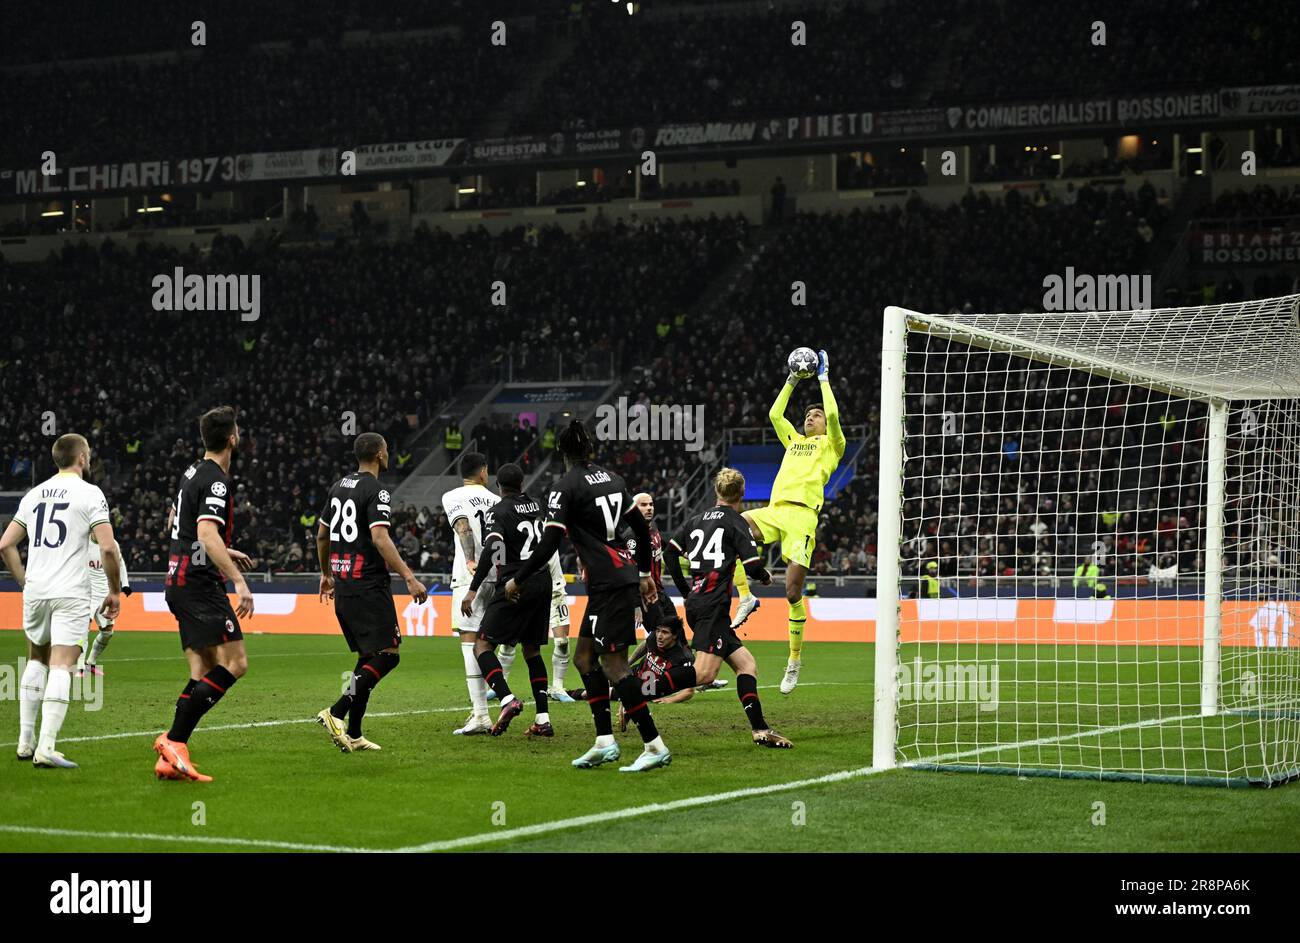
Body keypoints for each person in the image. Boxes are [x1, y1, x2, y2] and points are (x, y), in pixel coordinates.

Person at [505, 420, 671, 772]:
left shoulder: (564, 487)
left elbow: (549, 542)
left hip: (609, 583)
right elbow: (641, 529)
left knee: (615, 665)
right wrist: (643, 573)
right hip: (615, 579)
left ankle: (654, 744)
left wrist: (518, 578)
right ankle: (603, 741)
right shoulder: (614, 479)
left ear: (562, 452)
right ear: (591, 449)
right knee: (584, 658)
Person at [0, 434, 122, 768]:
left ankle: (24, 743)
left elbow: (5, 544)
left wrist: (25, 581)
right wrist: (113, 591)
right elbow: (108, 547)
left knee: (36, 660)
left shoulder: (34, 494)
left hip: (36, 590)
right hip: (69, 592)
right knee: (63, 664)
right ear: (82, 458)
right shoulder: (90, 493)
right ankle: (47, 747)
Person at [154, 406, 257, 782]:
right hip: (199, 585)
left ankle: (171, 755)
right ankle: (174, 741)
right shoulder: (216, 480)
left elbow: (176, 525)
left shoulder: (191, 472)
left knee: (203, 670)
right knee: (236, 663)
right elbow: (205, 534)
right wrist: (239, 582)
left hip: (178, 581)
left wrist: (223, 551)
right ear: (232, 438)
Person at [733, 349, 844, 694]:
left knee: (792, 591)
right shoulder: (793, 441)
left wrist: (823, 379)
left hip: (802, 518)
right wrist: (793, 380)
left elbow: (836, 415)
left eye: (817, 415)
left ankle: (794, 660)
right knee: (730, 526)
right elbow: (774, 413)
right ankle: (746, 596)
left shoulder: (832, 445)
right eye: (809, 414)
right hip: (775, 509)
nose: (811, 417)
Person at [663, 468, 792, 748]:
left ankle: (760, 729)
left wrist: (685, 590)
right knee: (704, 675)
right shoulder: (736, 522)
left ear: (717, 492)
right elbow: (753, 566)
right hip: (712, 605)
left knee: (746, 665)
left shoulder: (695, 520)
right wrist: (767, 577)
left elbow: (670, 553)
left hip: (702, 603)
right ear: (742, 493)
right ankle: (634, 692)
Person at [315, 432, 427, 753]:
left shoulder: (338, 487)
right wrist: (409, 577)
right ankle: (336, 712)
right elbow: (380, 539)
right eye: (388, 449)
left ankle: (354, 732)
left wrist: (326, 574)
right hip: (367, 585)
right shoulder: (377, 491)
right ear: (379, 454)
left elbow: (322, 536)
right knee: (388, 655)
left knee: (367, 658)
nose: (389, 454)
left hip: (344, 583)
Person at [459, 463, 554, 737]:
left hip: (515, 583)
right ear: (522, 483)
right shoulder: (537, 506)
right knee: (532, 651)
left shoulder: (498, 511)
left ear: (498, 487)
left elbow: (493, 548)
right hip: (542, 581)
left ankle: (505, 698)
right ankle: (543, 719)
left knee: (482, 644)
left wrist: (473, 588)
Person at [442, 452, 500, 735]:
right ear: (484, 472)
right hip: (499, 577)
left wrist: (469, 560)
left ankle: (480, 714)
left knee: (469, 641)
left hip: (470, 578)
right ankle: (495, 702)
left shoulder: (452, 496)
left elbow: (462, 528)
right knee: (488, 642)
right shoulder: (498, 501)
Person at [78, 530, 132, 677]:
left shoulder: (111, 543)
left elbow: (120, 563)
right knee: (83, 629)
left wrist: (125, 584)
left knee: (108, 632)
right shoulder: (82, 543)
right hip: (86, 592)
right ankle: (79, 668)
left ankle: (90, 663)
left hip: (105, 593)